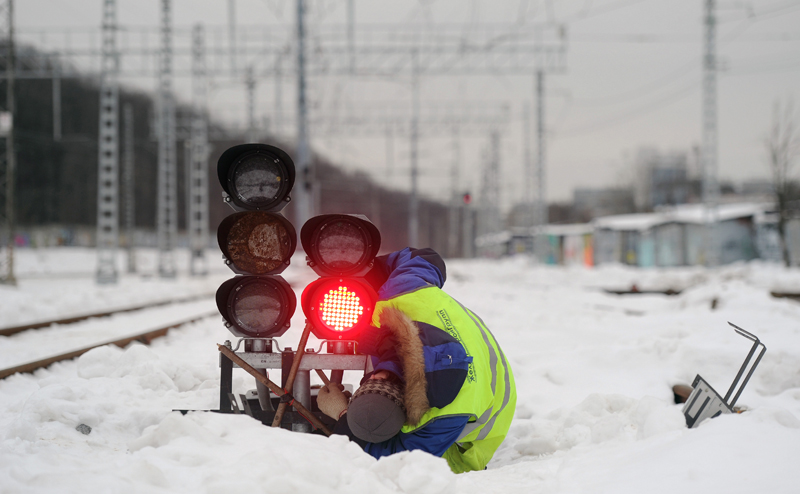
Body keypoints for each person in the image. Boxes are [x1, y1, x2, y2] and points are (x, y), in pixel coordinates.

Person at [316, 247, 516, 473]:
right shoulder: (404, 291)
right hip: (470, 369)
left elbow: (394, 462)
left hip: (465, 446)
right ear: (380, 374)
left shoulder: (442, 416)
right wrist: (360, 274)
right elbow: (425, 257)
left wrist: (342, 417)